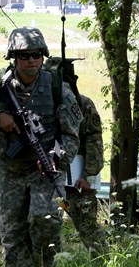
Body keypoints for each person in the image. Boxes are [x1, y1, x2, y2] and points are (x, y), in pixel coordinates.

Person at [0, 27, 82, 267]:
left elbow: (72, 135)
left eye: (37, 54)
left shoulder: (56, 88)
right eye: (24, 55)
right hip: (10, 170)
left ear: (43, 56)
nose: (31, 60)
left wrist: (55, 157)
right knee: (13, 232)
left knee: (47, 223)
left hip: (46, 170)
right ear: (13, 57)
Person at [44, 57, 108, 256]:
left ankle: (104, 263)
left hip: (77, 182)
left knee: (86, 224)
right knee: (48, 222)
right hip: (51, 177)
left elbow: (94, 142)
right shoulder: (40, 103)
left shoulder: (82, 104)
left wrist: (88, 175)